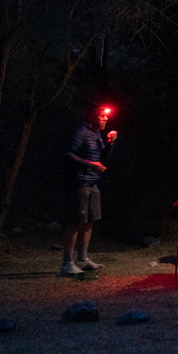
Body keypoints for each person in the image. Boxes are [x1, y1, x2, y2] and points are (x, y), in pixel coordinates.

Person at [60, 102, 118, 276]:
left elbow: (102, 159)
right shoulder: (81, 131)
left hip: (93, 182)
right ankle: (66, 264)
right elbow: (67, 154)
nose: (105, 118)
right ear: (92, 116)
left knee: (90, 220)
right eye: (102, 115)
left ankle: (82, 259)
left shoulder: (96, 134)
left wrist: (110, 143)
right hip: (79, 182)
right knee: (76, 221)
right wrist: (90, 164)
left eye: (106, 116)